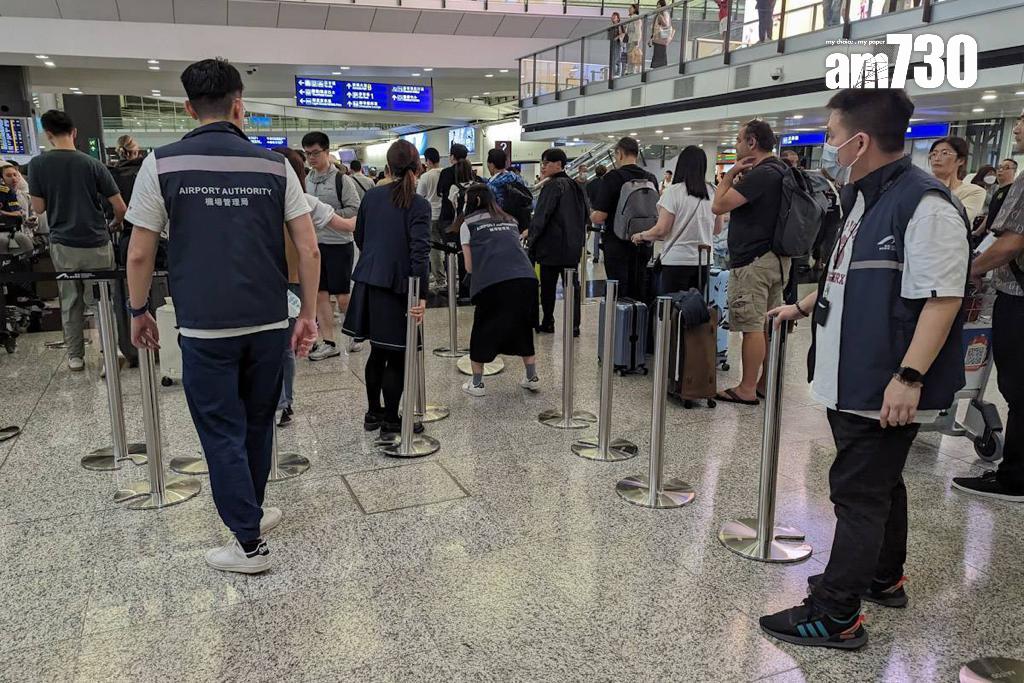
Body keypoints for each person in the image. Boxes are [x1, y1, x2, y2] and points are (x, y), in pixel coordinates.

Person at [760, 87, 969, 650]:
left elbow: (943, 299)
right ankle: (882, 576)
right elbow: (850, 274)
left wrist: (909, 377)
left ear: (860, 140)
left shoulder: (924, 205)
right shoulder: (865, 197)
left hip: (882, 381)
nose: (828, 145)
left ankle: (836, 615)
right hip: (854, 372)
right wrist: (803, 305)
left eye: (832, 135)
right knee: (879, 483)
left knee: (858, 493)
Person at [125, 58, 321, 574]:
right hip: (269, 319)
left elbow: (140, 253)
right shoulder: (275, 165)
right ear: (240, 106)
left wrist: (138, 309)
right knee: (258, 422)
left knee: (220, 430)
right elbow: (308, 248)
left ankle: (248, 543)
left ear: (189, 109)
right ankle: (250, 513)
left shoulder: (161, 164)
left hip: (204, 324)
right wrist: (308, 315)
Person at [952, 112, 1024, 503]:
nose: (1017, 127)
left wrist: (971, 269)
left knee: (1018, 388)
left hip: (1018, 296)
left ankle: (1015, 478)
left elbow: (1012, 243)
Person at [342, 139, 430, 436]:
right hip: (399, 287)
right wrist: (421, 295)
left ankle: (373, 413)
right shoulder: (418, 204)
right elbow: (420, 252)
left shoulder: (372, 197)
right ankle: (392, 419)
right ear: (417, 167)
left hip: (369, 281)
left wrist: (376, 261)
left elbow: (360, 236)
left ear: (388, 167)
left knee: (378, 351)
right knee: (399, 353)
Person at [28, 109, 127, 372]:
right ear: (74, 132)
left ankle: (75, 357)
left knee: (71, 300)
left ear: (48, 135)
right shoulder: (93, 164)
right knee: (102, 301)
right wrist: (114, 224)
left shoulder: (38, 165)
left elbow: (38, 208)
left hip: (64, 244)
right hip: (97, 242)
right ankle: (110, 353)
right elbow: (120, 207)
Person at [274, 146, 356, 426]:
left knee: (264, 343)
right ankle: (283, 403)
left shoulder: (256, 200)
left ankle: (267, 400)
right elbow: (345, 225)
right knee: (285, 345)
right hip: (294, 282)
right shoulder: (304, 201)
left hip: (260, 283)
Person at [711, 119, 788, 405]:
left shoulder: (762, 174)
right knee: (766, 323)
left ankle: (746, 388)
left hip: (754, 261)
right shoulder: (781, 169)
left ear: (752, 142)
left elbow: (718, 205)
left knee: (752, 326)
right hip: (776, 259)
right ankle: (764, 383)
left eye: (738, 140)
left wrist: (730, 174)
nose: (736, 145)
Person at [458, 184, 541, 397]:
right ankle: (531, 377)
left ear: (475, 201)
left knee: (483, 329)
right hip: (526, 278)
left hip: (493, 281)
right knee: (523, 328)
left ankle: (477, 384)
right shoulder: (510, 220)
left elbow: (469, 267)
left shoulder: (468, 225)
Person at [302, 131, 362, 360]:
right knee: (320, 295)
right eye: (308, 154)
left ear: (327, 152)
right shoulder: (306, 180)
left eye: (315, 153)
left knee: (343, 296)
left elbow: (355, 210)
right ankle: (329, 342)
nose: (311, 158)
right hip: (315, 245)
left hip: (339, 244)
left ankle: (355, 332)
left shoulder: (342, 180)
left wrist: (326, 215)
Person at [631, 146, 720, 295]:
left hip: (676, 261)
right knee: (696, 306)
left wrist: (641, 235)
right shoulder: (714, 191)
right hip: (703, 261)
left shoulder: (673, 192)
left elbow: (662, 230)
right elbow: (717, 229)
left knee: (673, 306)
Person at [591, 137, 659, 302]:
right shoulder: (650, 178)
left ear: (620, 153)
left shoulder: (612, 177)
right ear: (637, 154)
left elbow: (600, 217)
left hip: (617, 243)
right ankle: (639, 318)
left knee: (619, 292)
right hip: (643, 243)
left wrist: (591, 214)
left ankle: (620, 318)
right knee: (639, 289)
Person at [529, 148, 588, 336]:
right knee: (572, 287)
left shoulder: (552, 186)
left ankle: (548, 322)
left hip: (551, 247)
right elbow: (586, 215)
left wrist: (531, 240)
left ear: (559, 164)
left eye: (546, 163)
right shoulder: (576, 186)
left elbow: (541, 217)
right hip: (571, 247)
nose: (543, 167)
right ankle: (574, 325)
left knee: (548, 287)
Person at [928, 136, 986, 225]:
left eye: (944, 153)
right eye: (934, 154)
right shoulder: (922, 187)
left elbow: (956, 220)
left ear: (961, 160)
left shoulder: (974, 191)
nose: (937, 158)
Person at [416, 147, 446, 291]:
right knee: (449, 248)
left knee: (434, 249)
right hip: (446, 216)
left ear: (428, 161)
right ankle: (451, 275)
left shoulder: (426, 176)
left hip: (432, 215)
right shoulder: (446, 173)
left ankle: (440, 279)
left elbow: (419, 196)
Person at [975, 158, 1019, 240]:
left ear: (1014, 171)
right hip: (989, 234)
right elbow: (990, 214)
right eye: (999, 167)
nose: (1000, 170)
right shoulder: (997, 192)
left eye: (1006, 168)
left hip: (1000, 237)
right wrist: (977, 232)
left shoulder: (1013, 192)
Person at [649, 0, 673, 69]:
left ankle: (660, 69)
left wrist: (660, 17)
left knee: (660, 54)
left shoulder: (663, 14)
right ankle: (658, 68)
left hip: (661, 38)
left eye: (659, 4)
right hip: (658, 38)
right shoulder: (659, 14)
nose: (657, 6)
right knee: (658, 54)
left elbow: (666, 25)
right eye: (657, 4)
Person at [625, 3, 643, 75]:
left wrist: (637, 40)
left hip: (633, 39)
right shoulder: (630, 18)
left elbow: (638, 30)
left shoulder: (636, 18)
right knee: (629, 55)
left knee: (632, 55)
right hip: (629, 39)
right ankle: (629, 70)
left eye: (631, 8)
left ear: (635, 9)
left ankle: (631, 71)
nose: (629, 9)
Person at [609, 12, 628, 78]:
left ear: (618, 18)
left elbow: (623, 34)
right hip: (613, 43)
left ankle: (617, 74)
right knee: (614, 59)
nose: (613, 18)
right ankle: (614, 74)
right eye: (612, 16)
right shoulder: (612, 26)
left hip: (618, 43)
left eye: (614, 17)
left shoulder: (619, 25)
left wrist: (616, 37)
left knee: (617, 59)